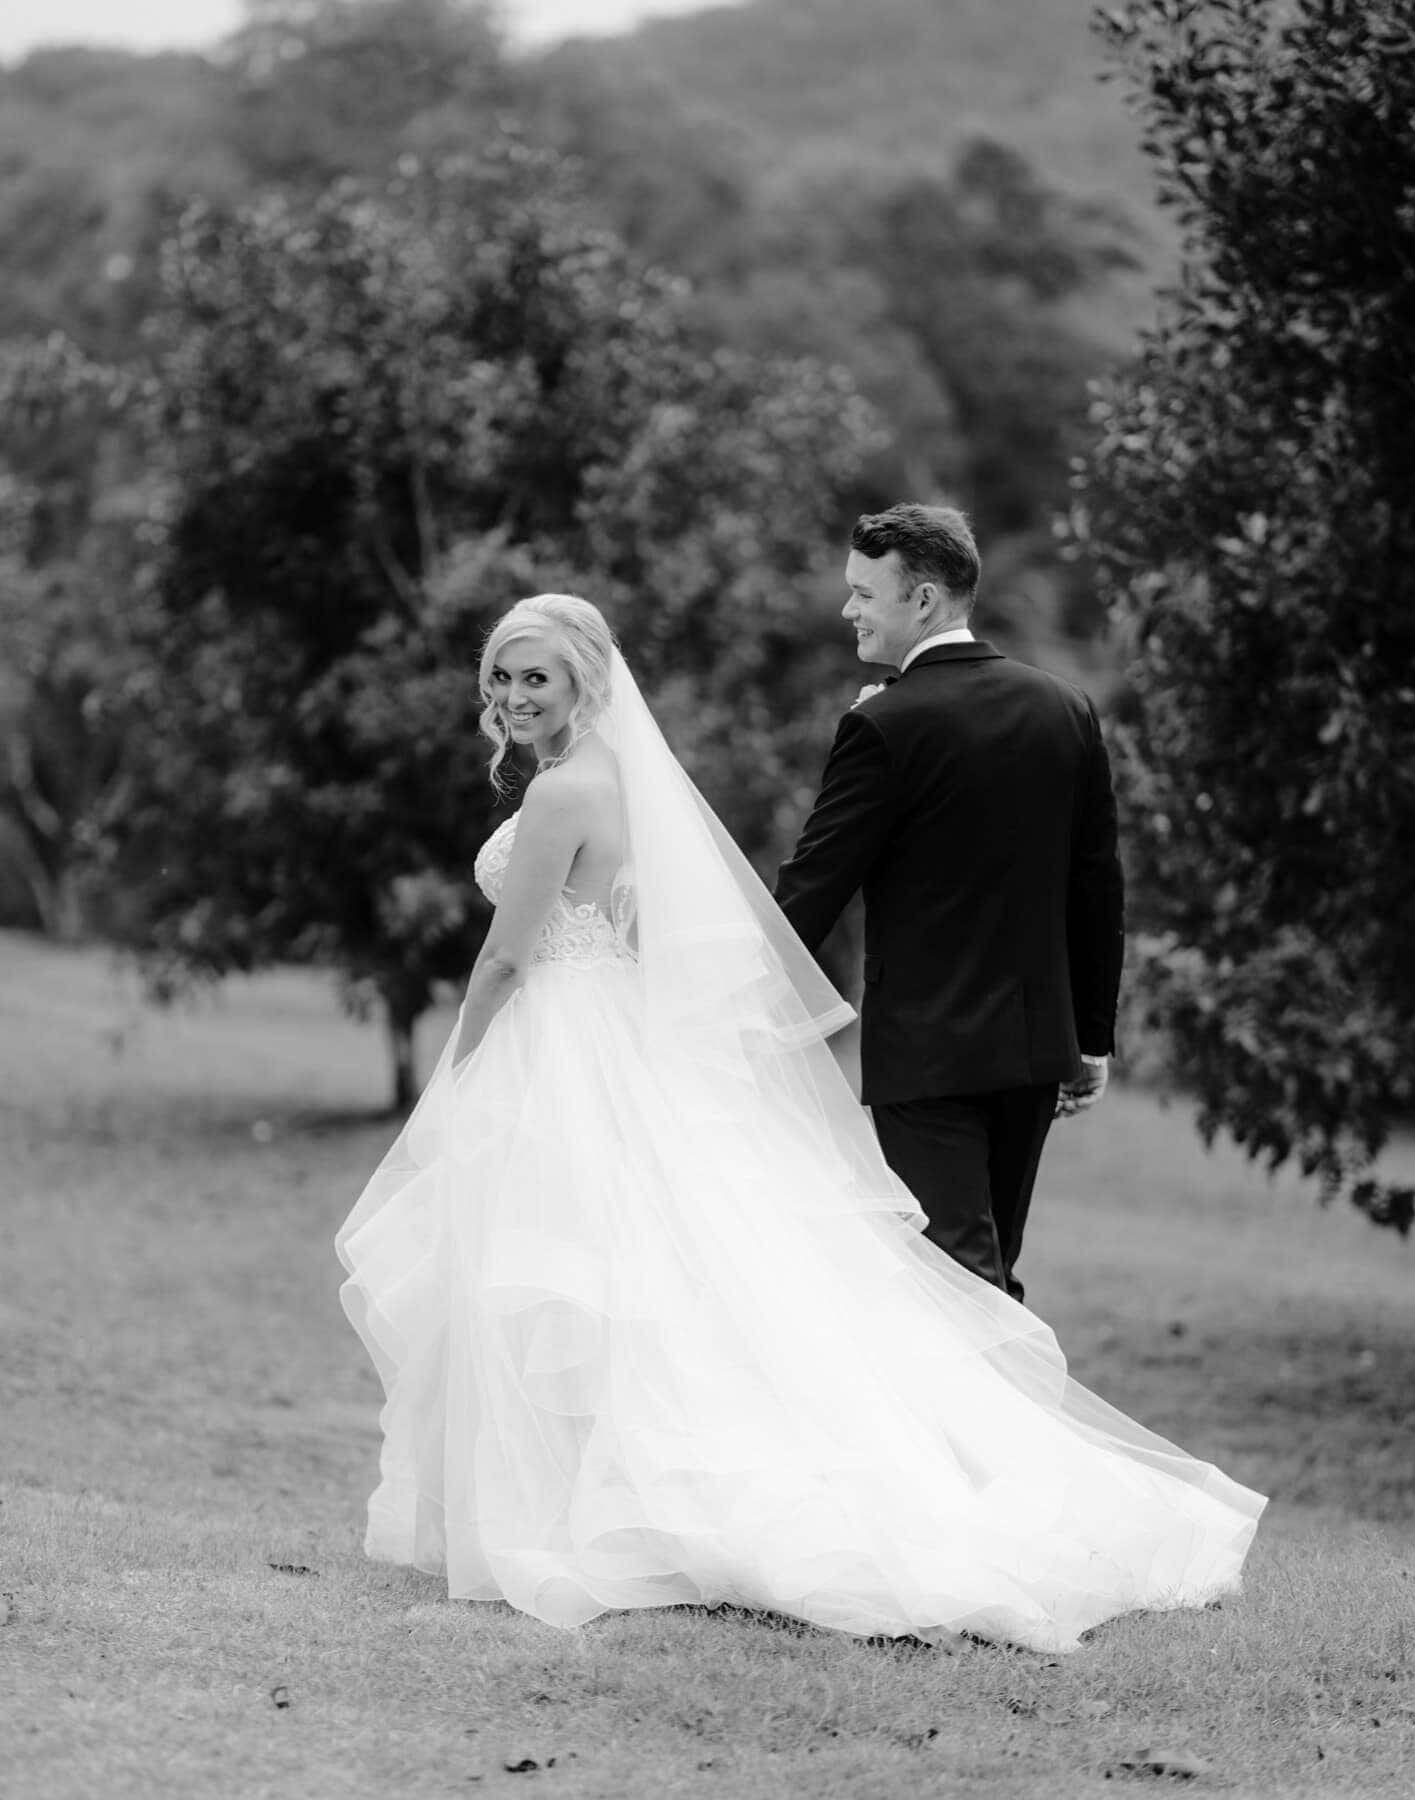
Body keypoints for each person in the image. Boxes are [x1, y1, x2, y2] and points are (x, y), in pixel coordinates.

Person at [336, 592, 1263, 1654]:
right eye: (500, 676)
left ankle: (589, 1509)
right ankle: (580, 1497)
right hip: (610, 1041)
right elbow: (643, 935)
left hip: (560, 1042)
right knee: (616, 1277)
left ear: (588, 679)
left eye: (535, 675)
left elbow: (506, 957)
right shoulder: (630, 784)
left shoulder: (561, 797)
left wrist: (460, 1066)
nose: (511, 695)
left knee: (569, 1273)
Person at [776, 504, 1124, 1302]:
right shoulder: (1064, 708)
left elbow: (810, 892)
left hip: (925, 1059)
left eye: (865, 593)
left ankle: (1019, 1427)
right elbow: (1098, 888)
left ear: (924, 600)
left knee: (959, 1291)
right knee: (987, 1281)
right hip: (1036, 1053)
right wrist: (1092, 1038)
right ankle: (999, 1424)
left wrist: (724, 998)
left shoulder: (883, 726)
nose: (848, 610)